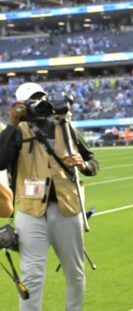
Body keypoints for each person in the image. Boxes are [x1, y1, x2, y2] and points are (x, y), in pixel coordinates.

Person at [0, 83, 100, 311]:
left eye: (40, 98)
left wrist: (83, 164)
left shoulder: (65, 127)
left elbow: (93, 162)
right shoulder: (15, 131)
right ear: (20, 105)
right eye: (31, 101)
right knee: (31, 275)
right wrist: (12, 123)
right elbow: (0, 162)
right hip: (30, 210)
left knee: (75, 272)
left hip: (67, 207)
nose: (37, 104)